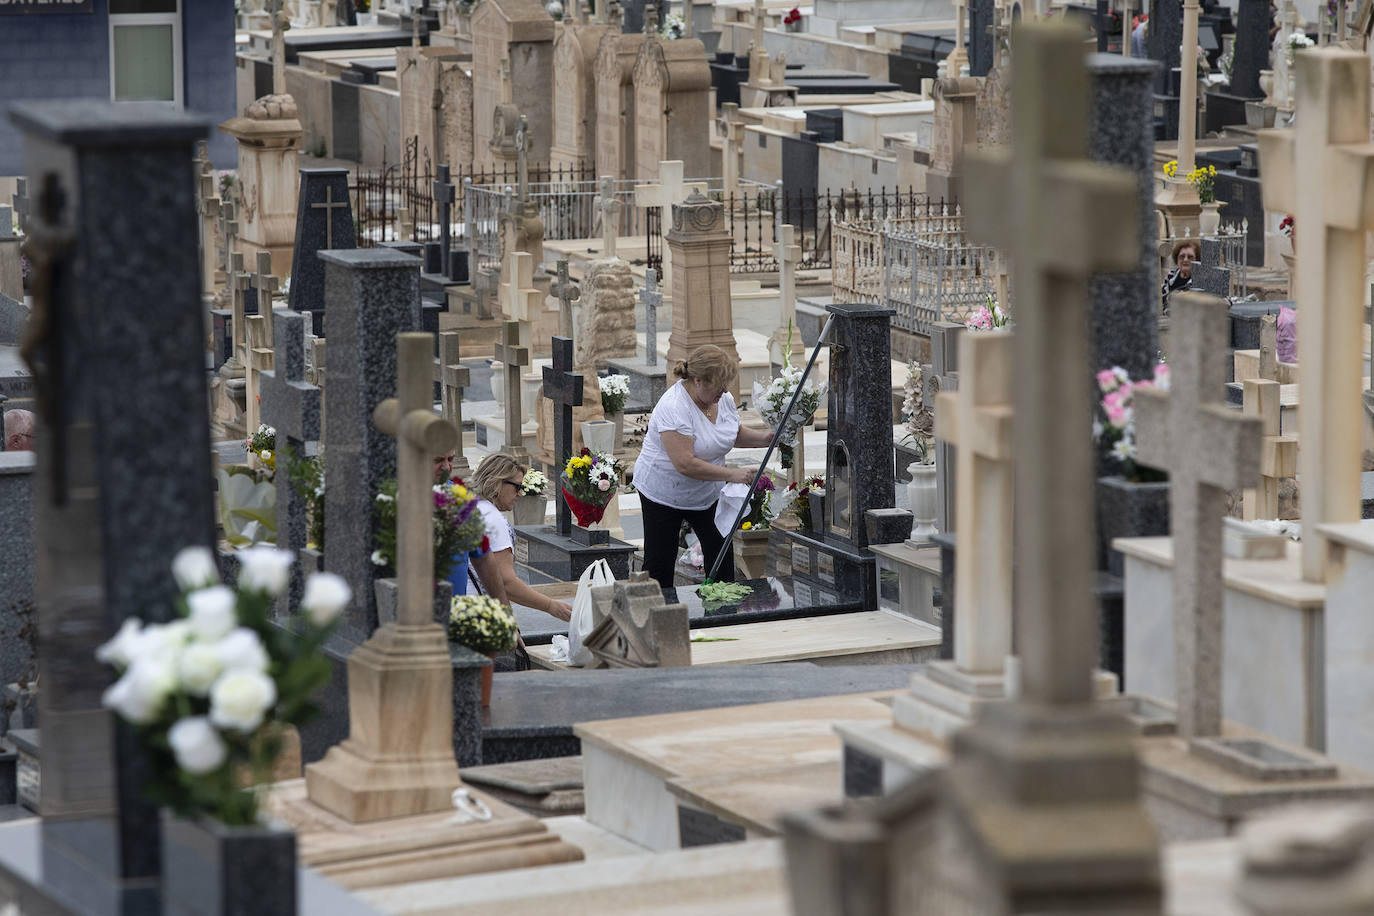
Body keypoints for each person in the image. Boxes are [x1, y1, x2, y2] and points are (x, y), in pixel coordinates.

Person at [633, 345, 775, 590]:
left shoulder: (723, 399)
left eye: (726, 385)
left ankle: (722, 613)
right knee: (660, 565)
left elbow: (730, 433)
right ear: (697, 380)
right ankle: (661, 620)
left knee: (721, 555)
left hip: (706, 492)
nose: (725, 391)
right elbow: (685, 463)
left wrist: (765, 439)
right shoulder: (674, 407)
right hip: (663, 493)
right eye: (719, 386)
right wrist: (733, 475)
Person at [468, 453, 572, 622]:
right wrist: (550, 606)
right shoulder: (493, 520)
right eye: (517, 487)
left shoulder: (471, 508)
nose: (521, 493)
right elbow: (505, 582)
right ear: (497, 482)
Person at [1161, 238, 1199, 312]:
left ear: (1197, 260)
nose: (1185, 260)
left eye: (1190, 257)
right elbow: (1162, 297)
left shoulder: (1200, 280)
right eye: (1182, 256)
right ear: (1177, 259)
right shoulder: (1171, 275)